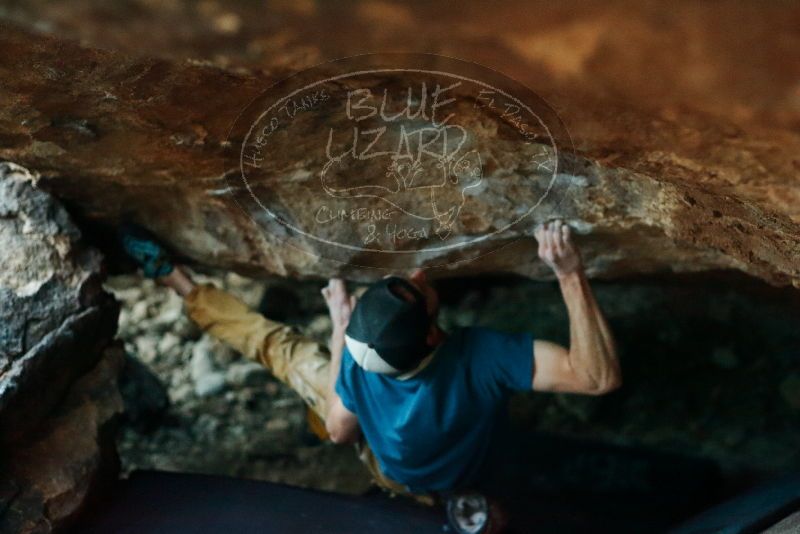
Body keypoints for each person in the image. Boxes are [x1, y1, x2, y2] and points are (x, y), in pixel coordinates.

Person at [121, 219, 621, 526]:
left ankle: (179, 283)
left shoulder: (363, 366)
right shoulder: (479, 357)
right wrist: (569, 272)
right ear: (431, 335)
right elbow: (596, 378)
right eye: (421, 290)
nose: (422, 274)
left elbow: (340, 429)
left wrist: (340, 329)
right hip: (453, 476)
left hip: (387, 463)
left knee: (275, 346)